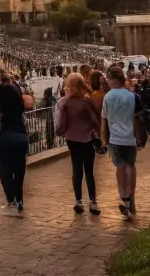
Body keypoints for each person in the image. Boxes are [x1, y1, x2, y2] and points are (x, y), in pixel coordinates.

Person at [55, 73, 100, 215]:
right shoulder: (88, 101)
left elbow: (62, 125)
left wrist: (59, 131)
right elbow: (95, 121)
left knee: (76, 170)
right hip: (87, 139)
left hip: (72, 139)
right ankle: (93, 202)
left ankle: (78, 201)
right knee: (89, 172)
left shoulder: (66, 103)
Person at [101, 66, 139, 219]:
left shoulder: (108, 97)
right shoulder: (132, 96)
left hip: (115, 139)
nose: (108, 82)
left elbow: (104, 120)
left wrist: (103, 139)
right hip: (129, 137)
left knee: (120, 166)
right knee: (130, 166)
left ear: (115, 80)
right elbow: (135, 118)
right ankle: (130, 197)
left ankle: (123, 195)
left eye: (109, 79)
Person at [0, 74, 29, 215]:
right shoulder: (19, 109)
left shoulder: (2, 110)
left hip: (7, 138)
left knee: (6, 170)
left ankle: (11, 202)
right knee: (20, 171)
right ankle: (19, 201)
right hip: (22, 137)